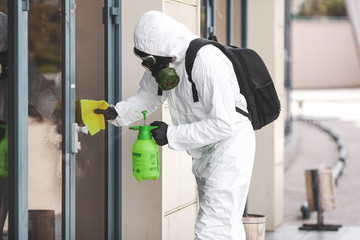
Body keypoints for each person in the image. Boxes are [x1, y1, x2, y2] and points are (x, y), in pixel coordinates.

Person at [95, 11, 256, 240]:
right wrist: (115, 113)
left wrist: (171, 134)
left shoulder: (206, 61)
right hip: (204, 149)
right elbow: (148, 97)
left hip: (229, 147)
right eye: (144, 61)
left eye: (150, 61)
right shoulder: (163, 61)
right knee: (223, 224)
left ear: (165, 50)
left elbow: (223, 123)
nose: (148, 67)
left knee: (215, 227)